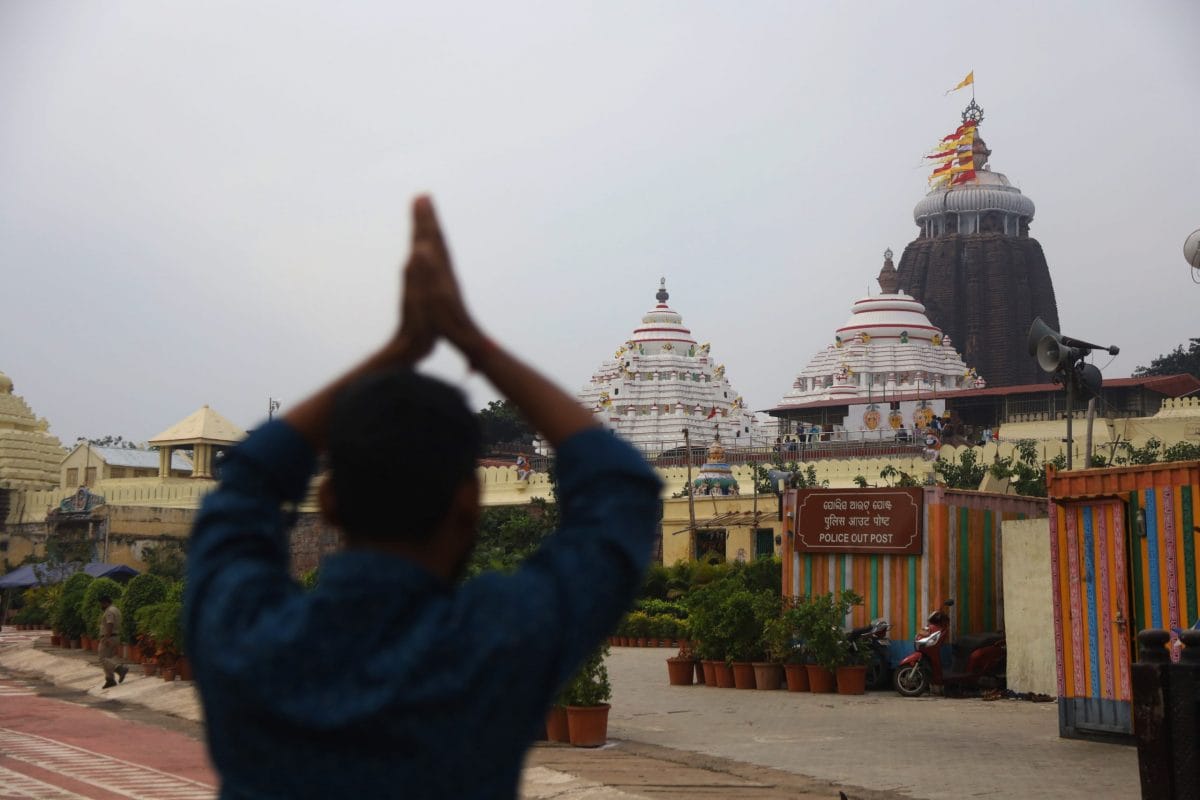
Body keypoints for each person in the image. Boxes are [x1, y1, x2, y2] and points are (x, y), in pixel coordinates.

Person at [184, 196, 662, 798]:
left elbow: (244, 482)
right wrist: (472, 341)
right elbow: (622, 492)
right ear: (470, 502)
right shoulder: (494, 645)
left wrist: (397, 349)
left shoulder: (246, 635)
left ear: (327, 502)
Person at [97, 594, 127, 689]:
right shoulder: (116, 609)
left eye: (101, 604)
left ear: (105, 602)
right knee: (109, 658)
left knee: (102, 658)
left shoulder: (109, 611)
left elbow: (110, 624)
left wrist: (107, 638)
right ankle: (110, 680)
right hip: (115, 637)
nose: (100, 606)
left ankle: (120, 669)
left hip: (110, 637)